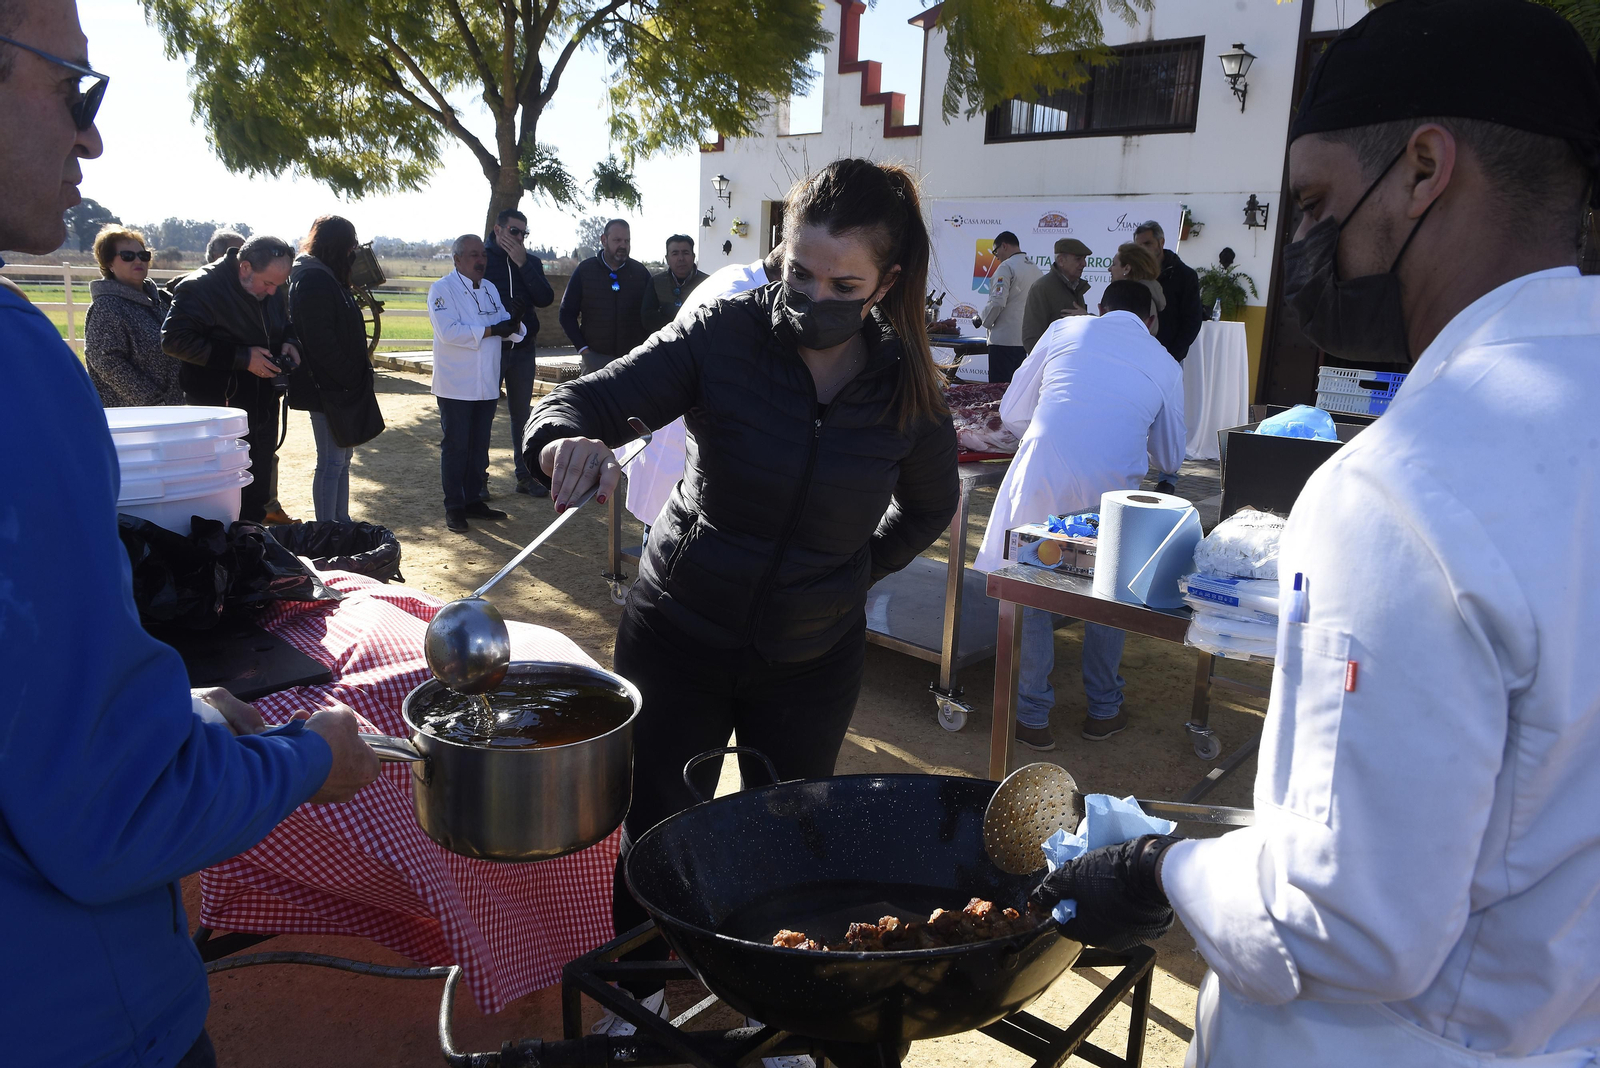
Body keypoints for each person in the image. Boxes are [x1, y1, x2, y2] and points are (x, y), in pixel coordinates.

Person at [1033, 3, 1600, 1065]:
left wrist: (1161, 869)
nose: (1300, 241)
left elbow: (1347, 922)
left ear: (1423, 169)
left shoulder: (1407, 485)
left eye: (1314, 201)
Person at [0, 4, 381, 1066]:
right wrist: (307, 762)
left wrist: (167, 717)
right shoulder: (16, 373)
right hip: (68, 1022)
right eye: (77, 90)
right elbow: (114, 816)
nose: (91, 139)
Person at [525, 159, 959, 1038]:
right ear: (778, 253)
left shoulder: (905, 383)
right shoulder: (724, 331)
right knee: (656, 823)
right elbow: (580, 401)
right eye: (800, 272)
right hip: (679, 632)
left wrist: (852, 574)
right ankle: (638, 997)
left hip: (811, 658)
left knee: (796, 835)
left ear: (888, 282)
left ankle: (781, 1018)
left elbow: (930, 504)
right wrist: (560, 442)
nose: (815, 297)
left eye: (844, 284)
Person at [975, 281, 1184, 750]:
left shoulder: (1066, 329)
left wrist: (1058, 438)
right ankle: (1103, 710)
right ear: (1150, 323)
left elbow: (1012, 411)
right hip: (1110, 499)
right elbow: (1171, 456)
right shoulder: (1165, 364)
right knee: (1108, 597)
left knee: (1032, 594)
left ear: (1099, 309)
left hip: (1041, 481)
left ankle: (1031, 717)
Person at [623, 245, 785, 535]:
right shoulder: (738, 299)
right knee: (668, 544)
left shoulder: (743, 276)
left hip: (685, 445)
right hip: (681, 449)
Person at [162, 234, 301, 525]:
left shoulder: (271, 283)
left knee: (258, 485)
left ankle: (251, 549)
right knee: (224, 494)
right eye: (268, 284)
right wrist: (242, 358)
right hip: (219, 408)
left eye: (280, 284)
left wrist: (289, 341)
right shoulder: (200, 287)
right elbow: (174, 341)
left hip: (263, 402)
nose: (274, 292)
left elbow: (283, 321)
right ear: (245, 267)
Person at [286, 214, 385, 524]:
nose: (353, 252)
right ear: (339, 246)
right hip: (329, 389)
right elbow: (320, 341)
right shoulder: (314, 280)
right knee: (331, 462)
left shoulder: (325, 276)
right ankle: (328, 529)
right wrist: (349, 376)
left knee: (342, 460)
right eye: (350, 245)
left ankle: (340, 521)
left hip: (340, 386)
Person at [429, 233, 525, 534]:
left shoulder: (490, 289)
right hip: (456, 384)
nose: (480, 260)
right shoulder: (441, 290)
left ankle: (473, 500)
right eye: (472, 255)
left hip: (485, 383)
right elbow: (450, 332)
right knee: (456, 446)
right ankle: (454, 507)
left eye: (482, 254)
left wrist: (515, 322)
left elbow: (502, 323)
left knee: (479, 446)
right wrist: (494, 328)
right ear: (456, 259)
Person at [483, 207, 555, 497]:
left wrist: (523, 264)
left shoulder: (530, 261)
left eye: (523, 234)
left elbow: (545, 297)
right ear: (498, 230)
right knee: (484, 414)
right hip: (490, 349)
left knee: (521, 415)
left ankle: (526, 476)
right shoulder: (482, 261)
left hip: (524, 349)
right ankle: (478, 481)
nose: (519, 238)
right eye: (514, 231)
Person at [83, 223, 182, 406]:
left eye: (143, 256)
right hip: (135, 417)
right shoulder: (106, 307)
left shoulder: (161, 301)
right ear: (109, 263)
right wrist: (152, 401)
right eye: (127, 256)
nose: (138, 261)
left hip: (171, 409)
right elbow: (106, 361)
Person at [559, 218, 651, 374]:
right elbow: (566, 314)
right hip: (595, 361)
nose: (623, 245)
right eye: (617, 240)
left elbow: (650, 315)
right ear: (604, 240)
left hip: (632, 362)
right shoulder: (585, 271)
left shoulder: (640, 273)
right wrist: (585, 351)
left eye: (627, 241)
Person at [973, 230, 1041, 383]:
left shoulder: (1006, 267)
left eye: (995, 252)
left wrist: (982, 319)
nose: (996, 257)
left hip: (1003, 341)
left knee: (998, 393)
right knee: (1016, 392)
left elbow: (997, 302)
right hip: (1024, 341)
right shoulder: (1036, 269)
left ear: (1004, 246)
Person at [1132, 219, 1202, 362]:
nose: (1143, 250)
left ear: (1161, 242)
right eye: (1138, 246)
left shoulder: (1185, 275)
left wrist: (1173, 355)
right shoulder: (1133, 274)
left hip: (1168, 355)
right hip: (1135, 353)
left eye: (1147, 244)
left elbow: (1192, 321)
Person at [1021, 237, 1093, 352]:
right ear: (1061, 260)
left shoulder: (1077, 286)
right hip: (1054, 364)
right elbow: (1031, 337)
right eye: (1078, 259)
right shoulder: (1042, 288)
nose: (1084, 264)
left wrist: (1087, 318)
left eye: (1084, 259)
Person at [640, 233, 708, 334]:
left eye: (685, 253)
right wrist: (675, 327)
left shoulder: (706, 282)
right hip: (665, 342)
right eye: (675, 253)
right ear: (667, 259)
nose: (681, 258)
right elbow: (647, 318)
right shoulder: (656, 282)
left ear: (693, 256)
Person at [1108, 241, 1167, 318]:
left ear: (1127, 269)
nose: (1109, 269)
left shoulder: (1131, 299)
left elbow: (1118, 327)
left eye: (1114, 264)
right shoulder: (1147, 295)